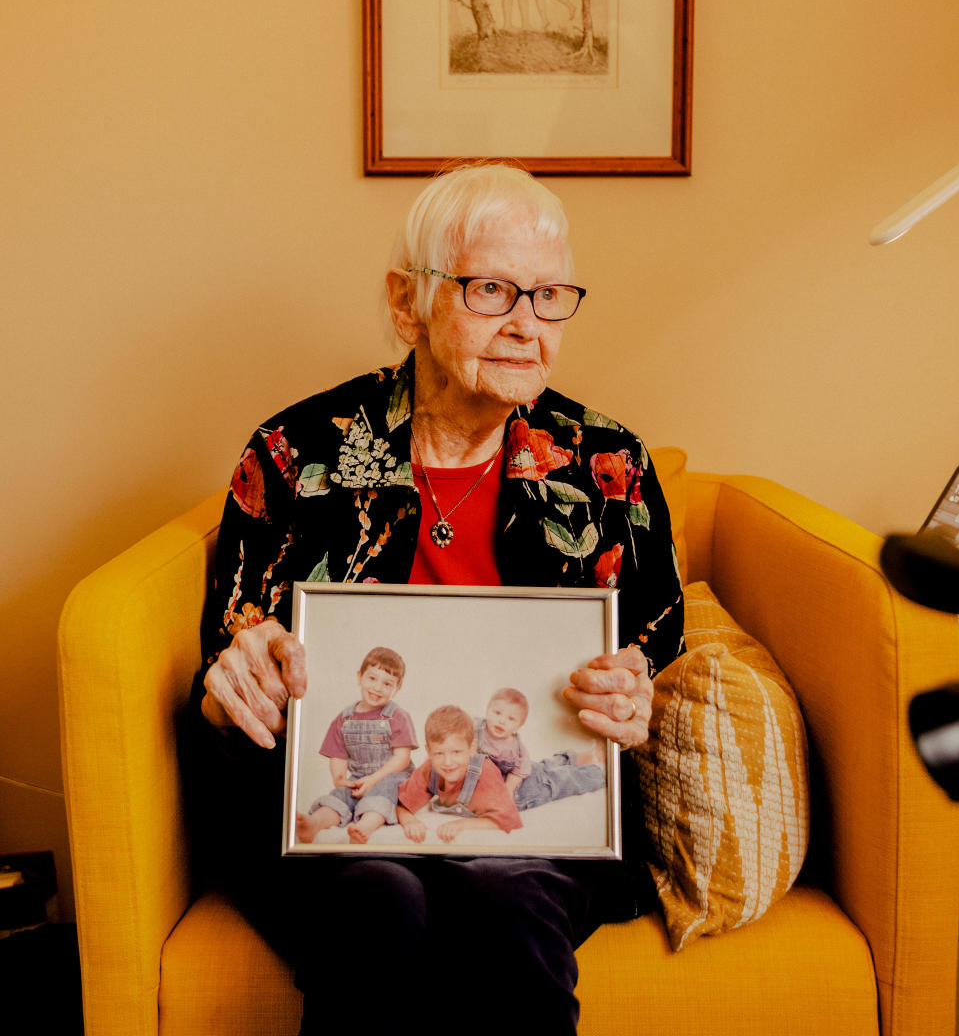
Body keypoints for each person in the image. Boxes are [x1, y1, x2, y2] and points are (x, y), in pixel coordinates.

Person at [179, 161, 684, 1036]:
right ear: (406, 301)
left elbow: (656, 630)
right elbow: (227, 654)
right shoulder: (294, 453)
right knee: (379, 903)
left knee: (508, 901)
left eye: (551, 295)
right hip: (345, 807)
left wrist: (636, 683)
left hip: (529, 818)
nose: (528, 326)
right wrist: (240, 676)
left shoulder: (609, 466)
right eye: (492, 290)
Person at [295, 646, 416, 845]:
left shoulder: (398, 716)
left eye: (387, 683)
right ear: (359, 677)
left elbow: (402, 759)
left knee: (384, 793)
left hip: (393, 776)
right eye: (372, 678)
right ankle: (313, 824)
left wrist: (375, 778)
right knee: (340, 796)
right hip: (359, 778)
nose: (377, 687)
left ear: (397, 688)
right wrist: (340, 779)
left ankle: (363, 828)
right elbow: (339, 756)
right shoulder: (344, 719)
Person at [397, 704, 522, 844]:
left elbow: (509, 819)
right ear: (429, 752)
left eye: (456, 752)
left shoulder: (485, 772)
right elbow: (402, 806)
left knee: (550, 774)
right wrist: (410, 822)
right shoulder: (429, 769)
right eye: (439, 753)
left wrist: (460, 825)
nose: (448, 762)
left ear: (471, 748)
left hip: (527, 785)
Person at [476, 687, 605, 810]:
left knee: (559, 779)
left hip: (523, 787)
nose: (501, 721)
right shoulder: (475, 728)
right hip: (526, 772)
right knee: (544, 767)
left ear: (518, 726)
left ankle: (599, 773)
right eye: (497, 713)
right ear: (487, 711)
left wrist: (508, 790)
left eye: (511, 718)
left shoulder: (515, 748)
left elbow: (519, 771)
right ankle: (576, 759)